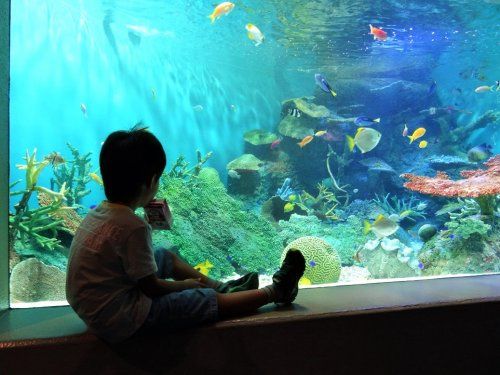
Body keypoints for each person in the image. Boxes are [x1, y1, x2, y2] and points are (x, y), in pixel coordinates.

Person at [66, 126, 306, 343]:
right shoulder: (132, 226)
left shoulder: (99, 213)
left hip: (95, 308)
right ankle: (276, 291)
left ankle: (222, 287)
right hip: (121, 318)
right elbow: (151, 289)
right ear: (150, 182)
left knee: (163, 256)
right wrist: (185, 287)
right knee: (202, 300)